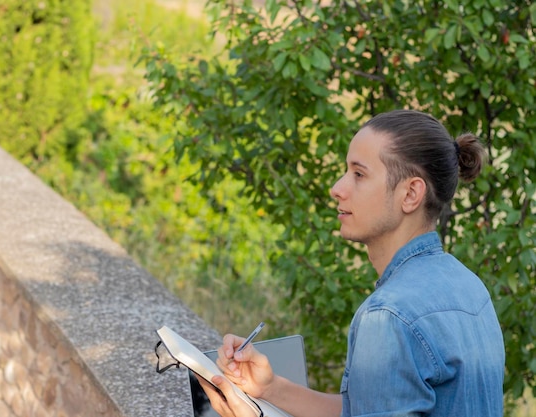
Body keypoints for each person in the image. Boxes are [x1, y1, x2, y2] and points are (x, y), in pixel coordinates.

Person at [198, 109, 505, 417]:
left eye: (359, 174)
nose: (338, 188)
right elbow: (367, 407)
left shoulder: (388, 315)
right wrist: (271, 389)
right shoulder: (469, 287)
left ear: (410, 194)